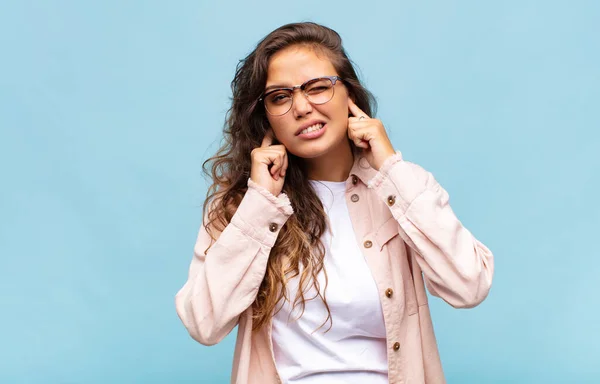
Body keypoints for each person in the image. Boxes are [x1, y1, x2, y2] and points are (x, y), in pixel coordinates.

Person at [175, 22, 494, 384]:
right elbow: (203, 323)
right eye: (280, 96)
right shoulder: (243, 206)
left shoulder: (402, 186)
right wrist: (260, 202)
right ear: (265, 117)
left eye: (317, 88)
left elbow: (470, 285)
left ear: (350, 95)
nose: (302, 107)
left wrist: (390, 169)